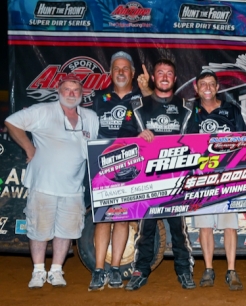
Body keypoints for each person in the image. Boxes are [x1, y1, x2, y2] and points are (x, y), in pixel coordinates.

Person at [4, 73, 99, 289]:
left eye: (76, 90)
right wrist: (28, 147)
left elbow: (91, 147)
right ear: (59, 91)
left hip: (74, 187)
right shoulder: (43, 111)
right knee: (39, 229)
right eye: (67, 89)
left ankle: (56, 270)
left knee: (66, 231)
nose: (71, 94)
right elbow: (11, 122)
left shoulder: (91, 117)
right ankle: (38, 271)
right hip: (43, 185)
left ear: (82, 94)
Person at [118, 59, 196, 291]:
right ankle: (141, 270)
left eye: (169, 73)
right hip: (147, 181)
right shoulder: (137, 106)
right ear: (153, 78)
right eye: (160, 72)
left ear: (175, 79)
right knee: (146, 231)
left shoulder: (187, 107)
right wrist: (137, 136)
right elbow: (121, 140)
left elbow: (197, 143)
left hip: (176, 181)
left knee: (179, 230)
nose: (164, 77)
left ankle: (184, 271)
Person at [88, 51, 147, 291]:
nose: (121, 72)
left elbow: (153, 120)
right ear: (110, 73)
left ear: (132, 73)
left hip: (130, 164)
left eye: (125, 68)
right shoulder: (99, 97)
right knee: (102, 219)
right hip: (101, 166)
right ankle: (99, 270)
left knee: (122, 217)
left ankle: (114, 269)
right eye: (116, 68)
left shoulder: (142, 96)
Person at [189, 69, 246, 291]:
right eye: (202, 83)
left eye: (211, 83)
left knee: (229, 226)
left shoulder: (231, 110)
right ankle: (208, 269)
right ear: (196, 87)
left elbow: (244, 140)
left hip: (227, 176)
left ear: (217, 87)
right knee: (205, 226)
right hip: (201, 178)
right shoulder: (190, 111)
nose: (207, 87)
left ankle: (231, 270)